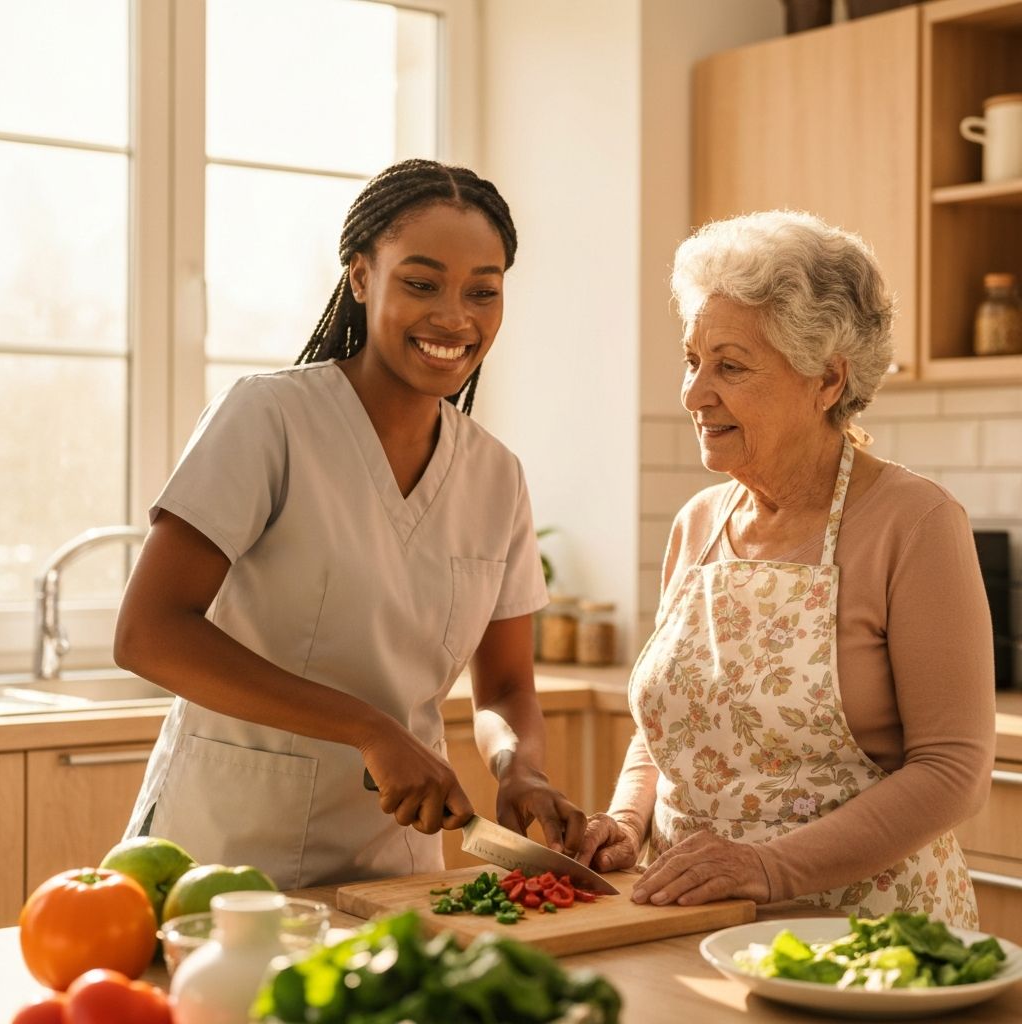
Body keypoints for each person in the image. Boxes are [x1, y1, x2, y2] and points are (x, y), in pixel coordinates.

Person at [114, 158, 586, 890]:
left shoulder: (497, 476)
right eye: (421, 283)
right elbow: (149, 632)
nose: (455, 317)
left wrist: (519, 769)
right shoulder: (268, 419)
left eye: (482, 292)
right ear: (362, 278)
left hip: (390, 866)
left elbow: (504, 688)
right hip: (225, 850)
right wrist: (370, 728)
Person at [577, 210, 995, 926]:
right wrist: (625, 821)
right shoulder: (698, 524)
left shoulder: (915, 522)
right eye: (691, 360)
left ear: (828, 379)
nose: (693, 394)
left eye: (729, 366)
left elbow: (953, 772)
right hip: (689, 922)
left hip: (863, 941)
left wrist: (770, 868)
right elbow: (669, 728)